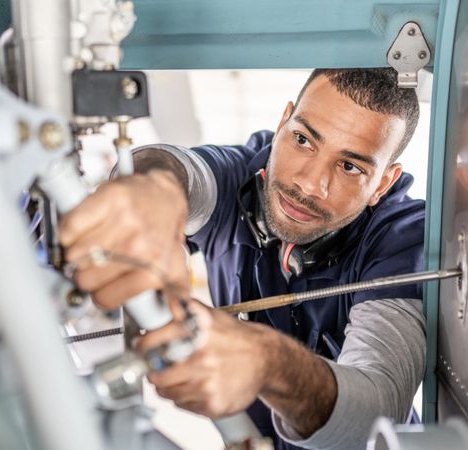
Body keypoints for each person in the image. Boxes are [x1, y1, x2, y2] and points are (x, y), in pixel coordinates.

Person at [59, 68, 425, 450]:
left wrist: (271, 363)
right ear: (283, 123)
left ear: (382, 183)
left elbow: (380, 410)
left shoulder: (402, 236)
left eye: (350, 166)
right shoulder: (241, 173)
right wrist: (155, 190)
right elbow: (177, 168)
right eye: (302, 139)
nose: (309, 183)